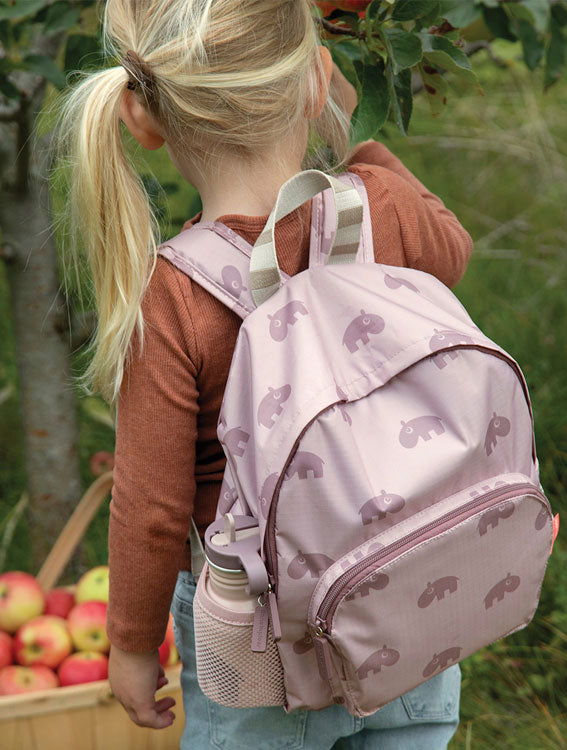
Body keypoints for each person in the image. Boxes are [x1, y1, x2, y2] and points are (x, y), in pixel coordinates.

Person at [54, 1, 472, 747]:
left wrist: (128, 646)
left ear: (141, 121)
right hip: (407, 595)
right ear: (316, 82)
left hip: (258, 653)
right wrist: (359, 136)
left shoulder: (172, 296)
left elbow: (151, 506)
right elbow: (453, 249)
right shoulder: (381, 209)